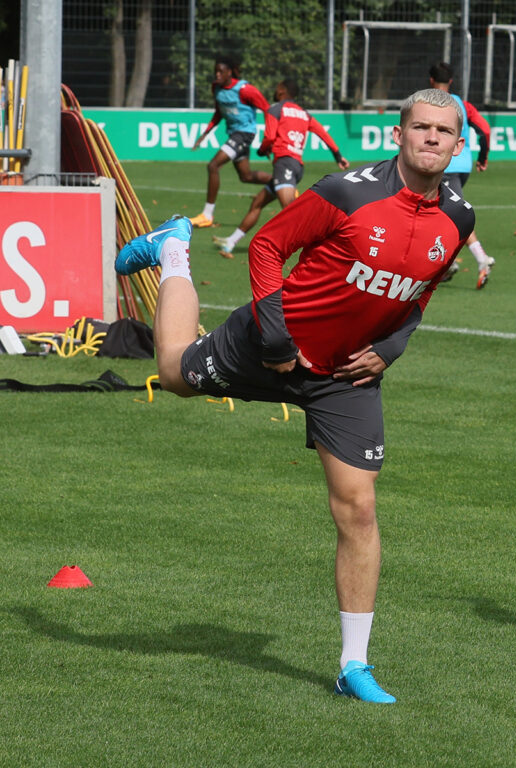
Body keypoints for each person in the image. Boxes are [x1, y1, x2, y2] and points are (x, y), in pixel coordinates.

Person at [115, 88, 475, 702]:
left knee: (358, 509)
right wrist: (277, 339)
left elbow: (420, 294)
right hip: (267, 344)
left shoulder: (458, 220)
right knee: (173, 372)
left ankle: (353, 666)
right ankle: (174, 249)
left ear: (459, 144)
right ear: (399, 135)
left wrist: (390, 349)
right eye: (421, 128)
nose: (432, 139)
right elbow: (266, 246)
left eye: (444, 131)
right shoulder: (348, 191)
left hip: (345, 378)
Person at [213, 79, 350, 258]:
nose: (275, 90)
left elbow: (269, 137)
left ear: (283, 91)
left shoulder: (275, 109)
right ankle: (231, 241)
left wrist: (262, 150)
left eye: (278, 87)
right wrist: (338, 155)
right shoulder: (304, 114)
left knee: (291, 211)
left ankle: (323, 250)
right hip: (295, 166)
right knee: (258, 203)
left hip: (284, 163)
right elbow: (322, 133)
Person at [428, 61, 494, 289]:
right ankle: (447, 263)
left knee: (452, 214)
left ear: (431, 80)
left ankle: (481, 258)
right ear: (451, 81)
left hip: (444, 165)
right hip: (463, 165)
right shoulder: (463, 105)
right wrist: (482, 157)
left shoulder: (428, 102)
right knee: (435, 212)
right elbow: (484, 129)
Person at [189, 55, 272, 228]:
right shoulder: (216, 88)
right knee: (246, 176)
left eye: (221, 71)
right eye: (215, 71)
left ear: (229, 72)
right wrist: (206, 133)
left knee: (213, 166)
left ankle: (207, 215)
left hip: (245, 134)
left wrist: (270, 137)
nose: (217, 74)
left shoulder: (245, 90)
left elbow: (267, 109)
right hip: (234, 134)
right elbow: (219, 113)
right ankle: (281, 181)